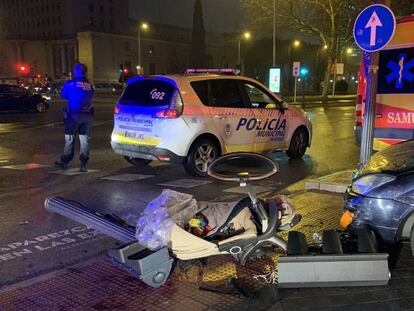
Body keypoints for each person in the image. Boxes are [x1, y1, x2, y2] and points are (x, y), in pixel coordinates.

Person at [55, 63, 95, 172]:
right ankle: (83, 164)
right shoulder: (90, 84)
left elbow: (63, 95)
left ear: (75, 71)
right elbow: (91, 95)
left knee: (70, 138)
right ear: (85, 72)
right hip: (87, 115)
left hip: (73, 115)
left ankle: (65, 161)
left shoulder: (70, 83)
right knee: (85, 140)